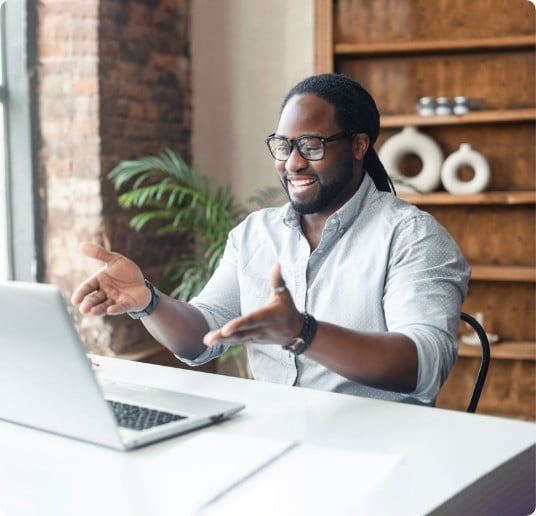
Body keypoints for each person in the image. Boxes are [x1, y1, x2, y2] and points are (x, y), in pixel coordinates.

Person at [72, 73, 470, 406]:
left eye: (312, 145)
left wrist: (304, 333)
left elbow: (424, 365)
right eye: (283, 146)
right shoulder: (254, 234)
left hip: (379, 451)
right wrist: (148, 302)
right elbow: (202, 337)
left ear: (359, 145)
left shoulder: (413, 237)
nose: (293, 162)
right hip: (270, 439)